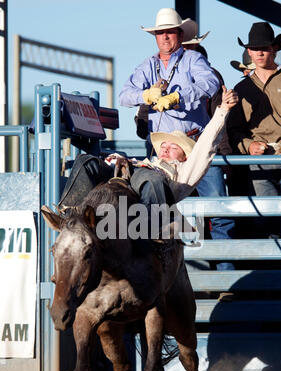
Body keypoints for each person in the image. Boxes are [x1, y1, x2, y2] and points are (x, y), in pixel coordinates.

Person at [59, 88, 238, 234]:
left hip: (152, 182)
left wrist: (222, 111)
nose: (166, 148)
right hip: (128, 174)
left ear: (186, 157)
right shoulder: (146, 161)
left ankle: (148, 234)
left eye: (174, 147)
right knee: (86, 161)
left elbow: (206, 145)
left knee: (153, 180)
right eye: (164, 145)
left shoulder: (183, 174)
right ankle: (69, 215)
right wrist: (117, 160)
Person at [227, 21, 281, 241]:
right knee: (266, 224)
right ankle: (275, 275)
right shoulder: (241, 88)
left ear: (274, 49)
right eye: (255, 48)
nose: (259, 52)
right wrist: (249, 145)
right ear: (248, 51)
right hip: (259, 162)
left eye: (265, 47)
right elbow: (234, 130)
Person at [181, 22, 235, 271]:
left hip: (201, 151)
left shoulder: (210, 74)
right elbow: (143, 116)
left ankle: (222, 279)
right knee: (184, 217)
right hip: (180, 151)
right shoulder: (162, 73)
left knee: (217, 214)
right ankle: (196, 281)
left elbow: (218, 113)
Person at [119, 8, 219, 139]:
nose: (164, 37)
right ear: (156, 37)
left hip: (192, 141)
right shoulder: (147, 65)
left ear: (181, 35)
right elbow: (123, 97)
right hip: (160, 145)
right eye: (160, 33)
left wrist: (178, 97)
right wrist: (145, 95)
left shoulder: (193, 58)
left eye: (170, 32)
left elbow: (211, 83)